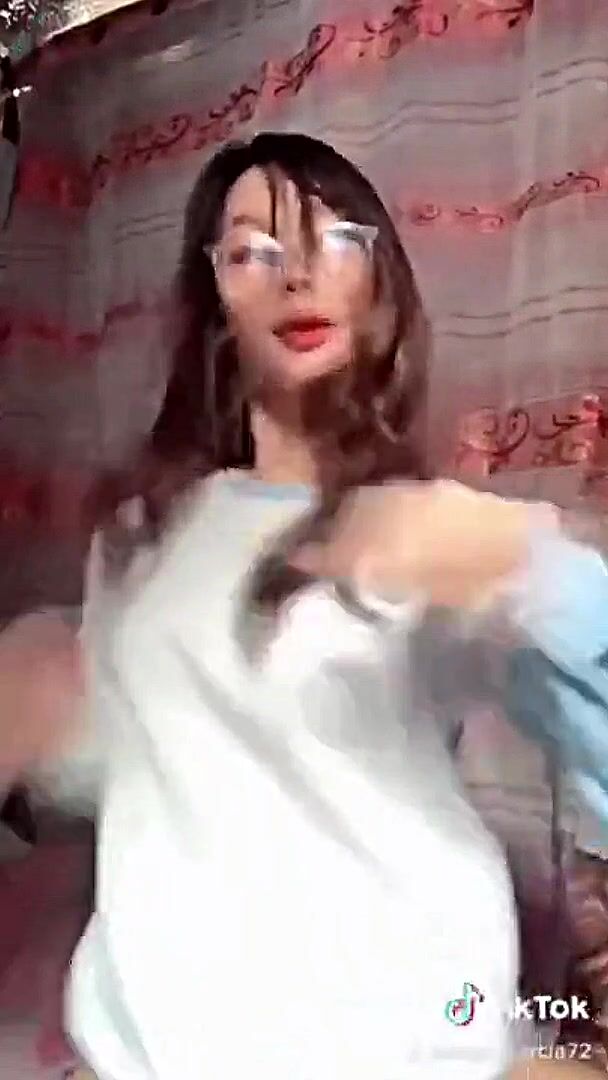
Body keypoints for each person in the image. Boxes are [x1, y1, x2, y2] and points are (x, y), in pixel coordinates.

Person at [1, 132, 608, 1080]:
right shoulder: (136, 539)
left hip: (412, 1035)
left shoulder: (435, 533)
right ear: (217, 301)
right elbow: (150, 765)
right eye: (254, 248)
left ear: (379, 289)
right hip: (163, 1049)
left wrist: (538, 569)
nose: (296, 275)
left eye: (333, 240)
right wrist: (45, 708)